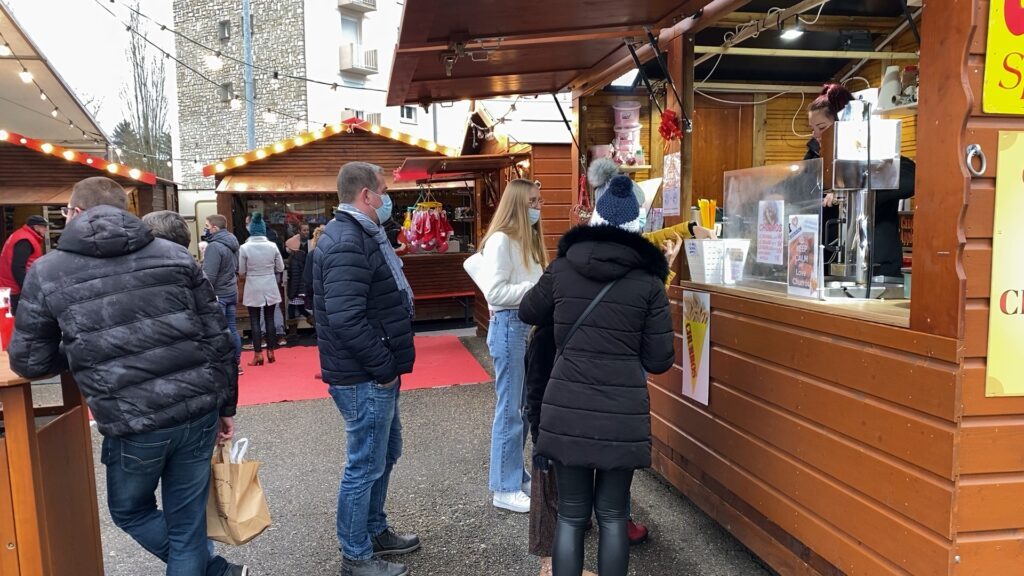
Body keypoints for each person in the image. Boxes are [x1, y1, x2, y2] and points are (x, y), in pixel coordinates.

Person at [8, 177, 245, 576]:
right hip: (197, 406)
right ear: (126, 211)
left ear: (76, 212)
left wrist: (83, 349)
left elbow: (30, 361)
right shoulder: (174, 255)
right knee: (187, 530)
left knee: (131, 511)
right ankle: (212, 568)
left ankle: (216, 570)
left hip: (132, 417)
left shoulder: (48, 270)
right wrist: (226, 405)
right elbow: (218, 339)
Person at [519, 175, 675, 576]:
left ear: (595, 221)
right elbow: (659, 360)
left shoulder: (563, 269)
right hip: (620, 413)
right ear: (636, 227)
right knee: (612, 514)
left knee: (571, 515)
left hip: (567, 408)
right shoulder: (649, 284)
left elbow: (528, 311)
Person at [313, 162, 419, 576]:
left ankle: (375, 530)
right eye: (385, 190)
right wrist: (383, 368)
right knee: (364, 464)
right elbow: (346, 317)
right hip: (364, 376)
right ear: (366, 195)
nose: (388, 197)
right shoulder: (347, 242)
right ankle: (355, 556)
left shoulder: (359, 235)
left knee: (385, 454)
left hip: (371, 371)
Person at [472, 179, 548, 514]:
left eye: (539, 200)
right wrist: (534, 288)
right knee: (510, 411)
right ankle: (504, 486)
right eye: (532, 201)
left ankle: (514, 475)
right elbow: (495, 293)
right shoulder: (502, 240)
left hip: (523, 329)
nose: (538, 207)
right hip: (509, 327)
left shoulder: (525, 239)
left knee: (522, 410)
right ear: (517, 203)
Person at [805, 82, 916, 277]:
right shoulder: (815, 159)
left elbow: (911, 178)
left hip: (877, 265)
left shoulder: (877, 154)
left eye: (821, 127)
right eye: (813, 128)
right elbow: (799, 188)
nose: (816, 135)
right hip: (829, 263)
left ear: (843, 126)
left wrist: (849, 189)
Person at [239, 212, 284, 366]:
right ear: (263, 229)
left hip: (253, 285)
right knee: (270, 318)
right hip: (270, 283)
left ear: (250, 229)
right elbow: (280, 267)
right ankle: (271, 351)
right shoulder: (272, 246)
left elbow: (241, 271)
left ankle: (258, 354)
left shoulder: (244, 248)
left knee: (254, 320)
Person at [202, 215, 243, 372]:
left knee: (218, 331)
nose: (205, 229)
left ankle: (224, 364)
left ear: (214, 228)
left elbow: (209, 276)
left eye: (206, 225)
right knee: (232, 328)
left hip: (218, 293)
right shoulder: (233, 243)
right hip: (231, 290)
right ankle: (236, 362)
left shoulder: (214, 247)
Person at [0, 215, 48, 314]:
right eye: (44, 227)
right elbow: (18, 267)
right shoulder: (25, 240)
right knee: (15, 319)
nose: (46, 230)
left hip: (9, 287)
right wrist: (27, 289)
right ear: (36, 227)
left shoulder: (23, 236)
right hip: (13, 290)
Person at [286, 222, 312, 325]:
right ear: (299, 232)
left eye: (307, 230)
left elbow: (296, 275)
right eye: (304, 230)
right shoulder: (297, 247)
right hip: (301, 285)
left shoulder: (309, 245)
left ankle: (293, 333)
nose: (306, 232)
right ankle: (314, 323)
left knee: (293, 309)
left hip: (299, 286)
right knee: (300, 308)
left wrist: (292, 292)